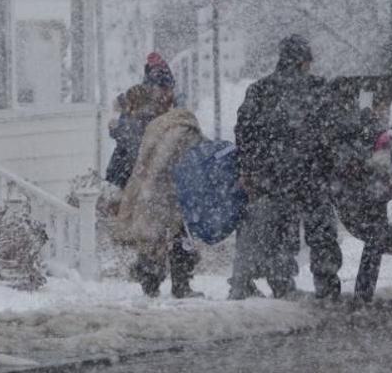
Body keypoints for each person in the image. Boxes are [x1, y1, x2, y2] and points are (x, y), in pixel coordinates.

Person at [229, 34, 342, 300]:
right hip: (313, 175)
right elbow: (334, 132)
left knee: (281, 233)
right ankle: (327, 285)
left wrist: (251, 169)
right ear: (305, 61)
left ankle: (282, 284)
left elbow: (244, 133)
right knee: (321, 232)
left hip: (274, 178)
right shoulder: (319, 89)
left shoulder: (259, 90)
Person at [114, 103, 205, 298]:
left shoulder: (157, 126)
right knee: (177, 237)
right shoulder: (183, 129)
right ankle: (177, 284)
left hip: (154, 189)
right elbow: (193, 157)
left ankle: (151, 282)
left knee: (154, 238)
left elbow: (143, 157)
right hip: (171, 190)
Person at [105, 52, 175, 189]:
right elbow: (130, 138)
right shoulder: (142, 105)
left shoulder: (163, 108)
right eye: (161, 88)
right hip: (126, 173)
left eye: (167, 89)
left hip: (133, 173)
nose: (164, 93)